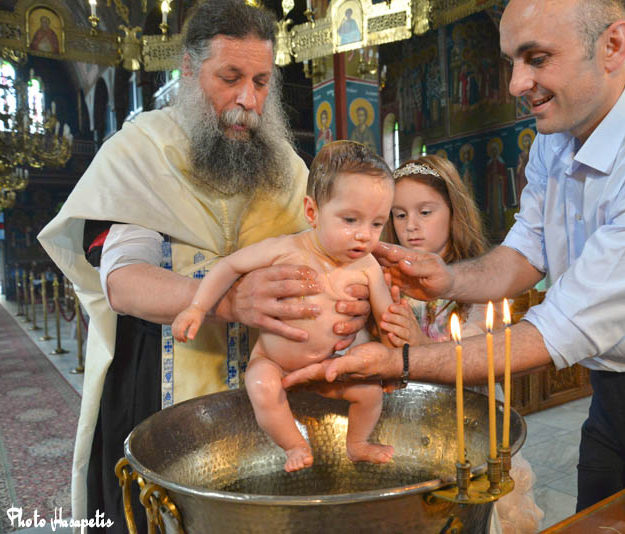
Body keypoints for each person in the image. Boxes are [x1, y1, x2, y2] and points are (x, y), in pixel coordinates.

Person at [284, 0, 625, 517]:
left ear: (613, 45)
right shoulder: (557, 139)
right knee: (599, 524)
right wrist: (446, 279)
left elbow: (562, 328)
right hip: (611, 391)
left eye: (537, 58)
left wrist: (399, 363)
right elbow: (524, 253)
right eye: (512, 60)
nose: (516, 83)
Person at [38, 0, 370, 530]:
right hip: (159, 393)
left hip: (276, 401)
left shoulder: (286, 167)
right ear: (189, 70)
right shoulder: (139, 153)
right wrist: (230, 300)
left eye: (261, 82)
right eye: (230, 78)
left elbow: (334, 258)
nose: (247, 100)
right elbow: (122, 284)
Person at [173, 140, 396, 471]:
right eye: (350, 220)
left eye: (377, 224)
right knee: (260, 385)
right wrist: (197, 307)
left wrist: (394, 358)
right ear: (312, 212)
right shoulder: (287, 250)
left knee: (370, 391)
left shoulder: (368, 266)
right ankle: (294, 445)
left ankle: (358, 443)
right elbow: (229, 266)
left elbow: (387, 317)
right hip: (275, 362)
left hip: (334, 365)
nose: (364, 235)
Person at [380, 156, 544, 534]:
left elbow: (479, 365)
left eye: (425, 212)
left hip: (472, 435)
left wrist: (417, 343)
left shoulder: (481, 284)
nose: (411, 226)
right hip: (409, 434)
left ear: (454, 212)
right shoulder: (388, 279)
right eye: (399, 215)